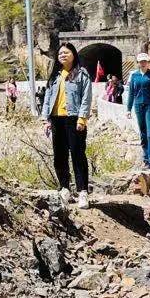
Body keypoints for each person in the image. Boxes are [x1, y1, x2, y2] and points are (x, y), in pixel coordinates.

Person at [39, 43, 92, 207]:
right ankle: (64, 188)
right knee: (59, 156)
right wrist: (46, 119)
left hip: (74, 118)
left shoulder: (82, 75)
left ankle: (82, 192)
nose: (62, 55)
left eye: (66, 52)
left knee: (78, 155)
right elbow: (47, 97)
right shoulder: (55, 76)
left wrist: (82, 119)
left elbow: (86, 97)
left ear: (73, 55)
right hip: (56, 119)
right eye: (60, 53)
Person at [124, 52, 150, 169]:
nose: (143, 63)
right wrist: (128, 109)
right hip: (138, 106)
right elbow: (131, 93)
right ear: (138, 63)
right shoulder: (134, 76)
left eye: (145, 61)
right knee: (143, 133)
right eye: (141, 61)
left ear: (148, 62)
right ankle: (146, 160)